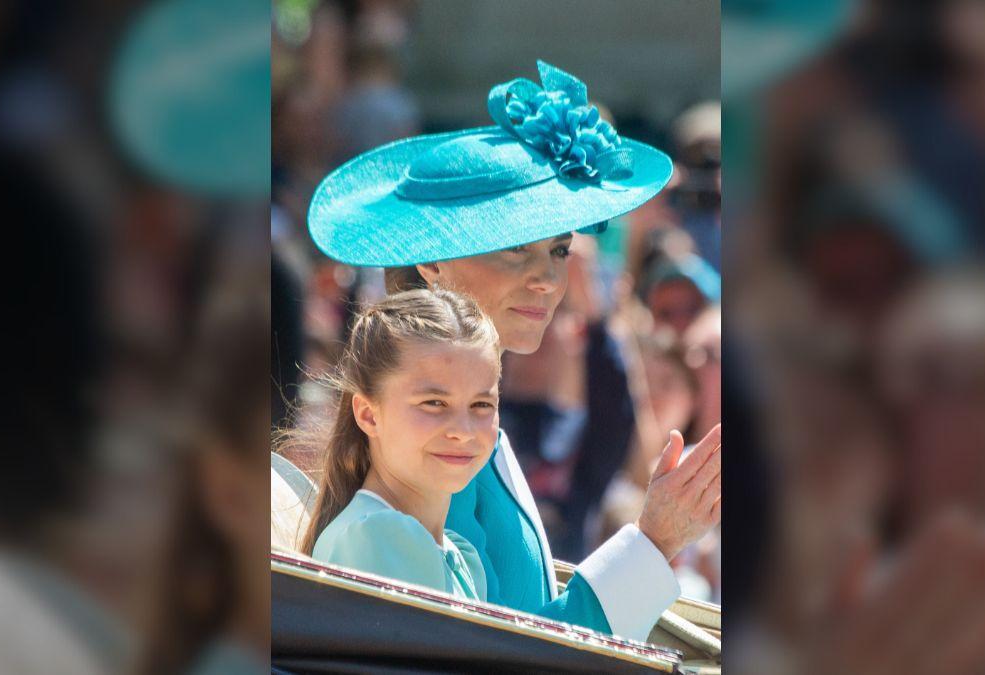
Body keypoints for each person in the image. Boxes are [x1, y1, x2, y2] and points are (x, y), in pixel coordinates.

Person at [304, 59, 722, 640]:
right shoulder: (439, 455)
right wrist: (656, 540)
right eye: (514, 251)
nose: (547, 281)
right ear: (432, 262)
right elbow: (506, 651)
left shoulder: (473, 433)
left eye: (556, 251)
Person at [297, 289, 502, 601]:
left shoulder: (459, 555)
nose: (463, 431)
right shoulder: (378, 536)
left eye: (481, 405)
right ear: (368, 415)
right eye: (434, 403)